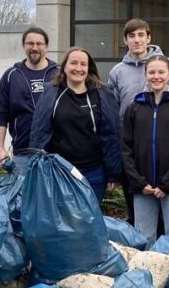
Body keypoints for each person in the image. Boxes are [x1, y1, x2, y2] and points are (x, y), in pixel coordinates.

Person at [108, 18, 169, 223]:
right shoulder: (117, 72)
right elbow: (113, 111)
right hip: (134, 152)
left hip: (164, 150)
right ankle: (144, 254)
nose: (137, 40)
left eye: (141, 35)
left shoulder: (166, 64)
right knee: (139, 216)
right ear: (125, 40)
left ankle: (167, 254)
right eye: (131, 36)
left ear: (149, 37)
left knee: (167, 218)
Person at [30, 46, 122, 201]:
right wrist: (36, 165)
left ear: (89, 68)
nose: (78, 68)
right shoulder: (51, 93)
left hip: (94, 173)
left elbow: (112, 134)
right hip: (59, 171)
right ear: (64, 67)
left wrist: (114, 173)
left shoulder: (103, 94)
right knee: (63, 221)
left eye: (83, 64)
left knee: (89, 222)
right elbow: (38, 130)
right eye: (73, 63)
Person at [121, 54, 169, 246]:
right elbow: (126, 148)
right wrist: (138, 181)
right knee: (144, 237)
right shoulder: (134, 108)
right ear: (145, 75)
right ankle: (147, 273)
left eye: (161, 72)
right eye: (152, 72)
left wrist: (167, 184)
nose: (156, 76)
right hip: (142, 186)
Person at [0, 27, 59, 167]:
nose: (35, 47)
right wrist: (0, 149)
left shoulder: (59, 75)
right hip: (22, 154)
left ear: (46, 47)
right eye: (30, 43)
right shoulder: (11, 76)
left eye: (39, 43)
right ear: (24, 46)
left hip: (55, 154)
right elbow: (0, 114)